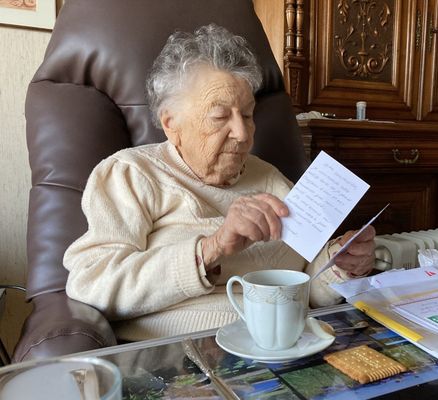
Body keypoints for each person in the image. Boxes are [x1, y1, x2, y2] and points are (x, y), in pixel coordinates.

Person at [63, 24, 376, 342]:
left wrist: (339, 266)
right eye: (219, 116)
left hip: (286, 345)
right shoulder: (131, 174)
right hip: (189, 358)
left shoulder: (268, 176)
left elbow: (305, 291)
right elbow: (92, 284)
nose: (242, 134)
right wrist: (210, 249)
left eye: (249, 115)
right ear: (172, 124)